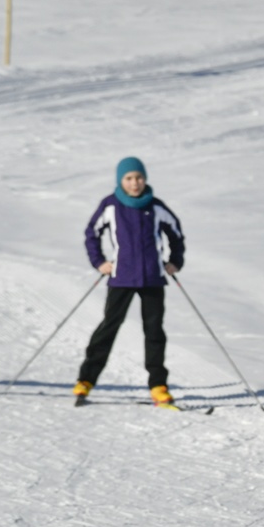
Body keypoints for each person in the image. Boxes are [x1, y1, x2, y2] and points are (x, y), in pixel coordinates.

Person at [77, 157, 185, 408]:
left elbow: (176, 234)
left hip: (152, 278)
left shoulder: (156, 206)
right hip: (122, 277)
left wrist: (174, 261)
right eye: (129, 178)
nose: (134, 183)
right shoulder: (111, 205)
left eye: (138, 177)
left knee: (154, 331)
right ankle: (86, 380)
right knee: (109, 327)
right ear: (120, 180)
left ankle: (158, 386)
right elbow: (91, 233)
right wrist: (99, 262)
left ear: (145, 179)